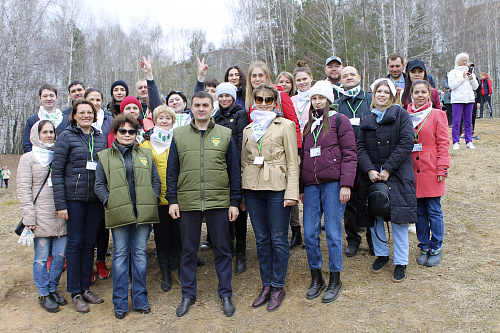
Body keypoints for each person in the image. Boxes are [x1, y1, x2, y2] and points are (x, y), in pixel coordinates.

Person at [166, 91, 242, 318]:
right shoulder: (178, 135)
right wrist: (172, 200)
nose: (201, 109)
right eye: (197, 105)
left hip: (218, 201)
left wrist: (234, 201)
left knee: (222, 249)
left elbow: (234, 171)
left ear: (212, 108)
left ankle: (225, 293)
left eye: (205, 105)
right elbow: (172, 171)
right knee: (188, 251)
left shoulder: (225, 134)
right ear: (191, 107)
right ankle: (188, 293)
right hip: (188, 202)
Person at [95, 114, 161, 319]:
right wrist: (110, 202)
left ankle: (141, 300)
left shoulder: (145, 154)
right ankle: (120, 303)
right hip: (119, 214)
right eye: (122, 131)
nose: (127, 134)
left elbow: (155, 181)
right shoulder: (104, 156)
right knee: (121, 257)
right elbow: (99, 185)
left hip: (143, 213)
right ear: (115, 133)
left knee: (140, 256)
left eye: (131, 131)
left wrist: (153, 198)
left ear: (136, 133)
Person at [241, 84, 299, 312]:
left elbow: (293, 162)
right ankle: (266, 285)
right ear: (253, 101)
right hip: (253, 189)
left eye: (268, 100)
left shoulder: (286, 125)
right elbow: (244, 162)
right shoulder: (248, 129)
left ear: (276, 103)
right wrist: (243, 194)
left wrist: (292, 192)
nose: (263, 103)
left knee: (278, 238)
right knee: (262, 239)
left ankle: (278, 286)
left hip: (277, 188)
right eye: (259, 99)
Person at [300, 81, 357, 303]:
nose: (317, 101)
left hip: (333, 184)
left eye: (321, 98)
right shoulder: (307, 125)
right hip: (312, 186)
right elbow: (304, 157)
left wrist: (346, 184)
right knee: (310, 233)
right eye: (314, 98)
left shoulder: (339, 120)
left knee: (333, 233)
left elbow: (350, 153)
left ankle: (335, 278)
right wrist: (303, 186)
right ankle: (317, 277)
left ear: (328, 100)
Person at [356, 78, 417, 283]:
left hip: (398, 174)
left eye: (386, 92)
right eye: (378, 92)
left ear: (392, 95)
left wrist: (388, 168)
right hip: (373, 176)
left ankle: (401, 262)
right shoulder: (368, 118)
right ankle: (382, 254)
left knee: (399, 219)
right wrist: (370, 170)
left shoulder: (401, 115)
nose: (382, 95)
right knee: (376, 216)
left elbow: (407, 142)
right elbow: (361, 147)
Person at [52, 100, 107, 313]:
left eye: (89, 112)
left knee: (89, 244)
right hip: (73, 200)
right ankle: (74, 291)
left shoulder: (99, 137)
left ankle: (85, 288)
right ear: (74, 115)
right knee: (74, 244)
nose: (86, 115)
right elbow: (56, 172)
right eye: (81, 112)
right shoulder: (66, 137)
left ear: (94, 115)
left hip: (94, 200)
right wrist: (61, 204)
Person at [17, 120, 68, 313]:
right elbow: (23, 189)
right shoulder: (28, 158)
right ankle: (43, 292)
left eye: (51, 132)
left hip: (60, 214)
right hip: (39, 216)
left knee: (59, 256)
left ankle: (53, 288)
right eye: (44, 132)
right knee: (40, 257)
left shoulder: (58, 155)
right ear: (36, 134)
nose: (48, 135)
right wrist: (28, 217)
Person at [407, 80, 450, 267]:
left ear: (429, 94)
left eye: (424, 92)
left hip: (431, 169)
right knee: (419, 212)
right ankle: (424, 245)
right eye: (416, 92)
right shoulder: (405, 116)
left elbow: (443, 144)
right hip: (412, 171)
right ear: (411, 94)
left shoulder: (438, 115)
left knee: (433, 209)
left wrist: (442, 168)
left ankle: (436, 246)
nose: (420, 95)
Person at [139, 105, 179, 292]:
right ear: (154, 120)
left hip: (178, 197)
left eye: (168, 118)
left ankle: (177, 266)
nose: (164, 121)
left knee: (179, 234)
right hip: (157, 198)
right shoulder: (145, 144)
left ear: (173, 121)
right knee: (162, 236)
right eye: (160, 118)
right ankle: (165, 273)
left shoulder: (179, 140)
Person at [336, 66, 373, 256]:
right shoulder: (336, 104)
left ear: (359, 77)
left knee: (370, 199)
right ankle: (353, 239)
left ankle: (374, 240)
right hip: (346, 160)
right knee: (348, 201)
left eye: (352, 74)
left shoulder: (370, 98)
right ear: (340, 81)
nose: (349, 77)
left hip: (369, 157)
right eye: (345, 76)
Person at [85, 88, 113, 280]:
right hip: (83, 185)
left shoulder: (107, 124)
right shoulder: (76, 127)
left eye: (98, 99)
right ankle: (87, 265)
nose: (95, 103)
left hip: (103, 180)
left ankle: (101, 259)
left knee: (103, 225)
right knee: (87, 229)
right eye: (91, 100)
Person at [245, 61, 301, 150]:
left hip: (281, 150)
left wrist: (297, 150)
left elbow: (294, 125)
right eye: (254, 76)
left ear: (267, 77)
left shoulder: (280, 96)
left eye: (261, 75)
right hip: (260, 151)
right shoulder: (250, 101)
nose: (257, 79)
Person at [288, 60, 314, 249]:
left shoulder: (317, 97)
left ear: (311, 79)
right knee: (294, 189)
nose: (302, 82)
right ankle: (296, 231)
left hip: (314, 146)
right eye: (299, 79)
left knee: (310, 190)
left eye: (305, 78)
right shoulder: (291, 100)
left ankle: (311, 231)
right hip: (295, 147)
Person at [23, 84, 69, 153]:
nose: (49, 99)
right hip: (39, 161)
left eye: (51, 95)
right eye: (45, 96)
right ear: (40, 99)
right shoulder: (32, 120)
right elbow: (27, 145)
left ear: (56, 98)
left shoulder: (67, 120)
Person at [449, 53, 479, 150]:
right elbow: (452, 86)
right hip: (457, 100)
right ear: (458, 61)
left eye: (466, 60)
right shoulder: (453, 72)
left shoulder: (470, 72)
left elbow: (476, 86)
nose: (465, 62)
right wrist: (462, 78)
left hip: (469, 99)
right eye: (463, 60)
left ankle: (469, 141)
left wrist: (471, 79)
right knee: (456, 122)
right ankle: (456, 141)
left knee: (468, 122)